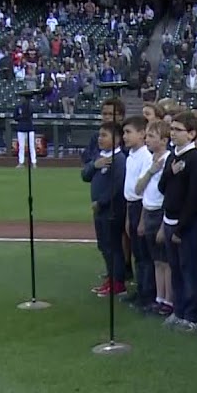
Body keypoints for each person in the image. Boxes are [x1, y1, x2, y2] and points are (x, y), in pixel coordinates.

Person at [159, 111, 197, 331]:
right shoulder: (172, 157)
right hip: (169, 220)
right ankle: (178, 310)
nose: (172, 134)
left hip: (187, 225)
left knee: (189, 269)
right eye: (172, 129)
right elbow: (162, 187)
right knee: (176, 269)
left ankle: (192, 315)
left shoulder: (195, 159)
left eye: (178, 130)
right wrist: (171, 172)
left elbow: (195, 198)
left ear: (191, 134)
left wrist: (181, 227)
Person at [84, 122, 127, 297]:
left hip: (112, 210)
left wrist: (100, 202)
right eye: (100, 135)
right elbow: (84, 175)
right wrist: (95, 165)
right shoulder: (99, 156)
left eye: (104, 135)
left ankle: (118, 283)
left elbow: (116, 186)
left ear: (116, 139)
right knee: (104, 246)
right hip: (100, 211)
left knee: (113, 247)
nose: (100, 139)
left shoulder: (119, 160)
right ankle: (110, 279)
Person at [136, 120, 172, 315]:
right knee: (156, 260)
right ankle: (159, 298)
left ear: (164, 140)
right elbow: (139, 188)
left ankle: (169, 300)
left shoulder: (168, 159)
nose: (147, 139)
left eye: (151, 136)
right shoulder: (150, 160)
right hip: (148, 211)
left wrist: (163, 226)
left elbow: (168, 195)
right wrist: (151, 171)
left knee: (166, 261)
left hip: (160, 213)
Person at [122, 116, 155, 310]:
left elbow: (144, 191)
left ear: (142, 134)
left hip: (141, 207)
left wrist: (141, 219)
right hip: (131, 206)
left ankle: (147, 294)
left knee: (145, 255)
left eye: (129, 132)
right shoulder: (131, 156)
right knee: (137, 254)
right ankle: (141, 290)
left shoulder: (146, 157)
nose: (125, 136)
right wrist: (128, 217)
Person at [15, 95, 38, 168]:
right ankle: (21, 162)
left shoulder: (30, 106)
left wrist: (22, 117)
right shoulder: (18, 107)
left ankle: (33, 162)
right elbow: (15, 117)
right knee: (21, 147)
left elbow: (30, 114)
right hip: (21, 128)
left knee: (31, 146)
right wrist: (21, 117)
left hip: (29, 128)